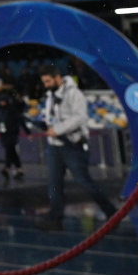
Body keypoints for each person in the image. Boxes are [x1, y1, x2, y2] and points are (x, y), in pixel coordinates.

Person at [38, 68, 117, 230]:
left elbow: (80, 117)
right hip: (55, 145)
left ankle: (111, 211)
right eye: (44, 82)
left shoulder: (75, 94)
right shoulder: (51, 95)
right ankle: (55, 217)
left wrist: (58, 129)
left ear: (58, 77)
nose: (46, 85)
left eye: (48, 81)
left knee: (84, 181)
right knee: (54, 183)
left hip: (73, 145)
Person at [0, 84, 30, 180]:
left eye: (4, 101)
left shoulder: (12, 110)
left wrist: (27, 132)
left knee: (10, 149)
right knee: (10, 150)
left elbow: (20, 120)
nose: (2, 103)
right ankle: (17, 169)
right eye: (1, 101)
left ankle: (7, 168)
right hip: (3, 133)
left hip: (12, 132)